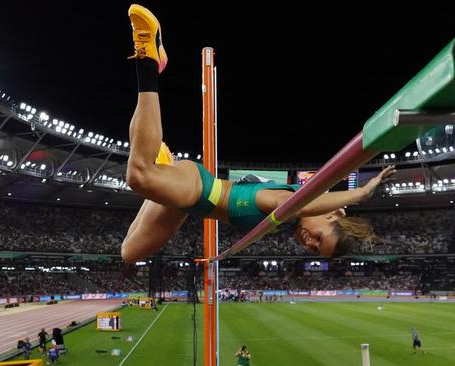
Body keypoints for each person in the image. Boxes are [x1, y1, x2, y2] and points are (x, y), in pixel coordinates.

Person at [121, 4, 395, 263]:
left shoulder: (288, 219)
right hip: (198, 188)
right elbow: (303, 203)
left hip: (189, 203)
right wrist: (359, 194)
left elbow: (309, 206)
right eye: (319, 238)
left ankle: (164, 169)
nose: (308, 243)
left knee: (129, 252)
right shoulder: (289, 202)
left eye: (314, 249)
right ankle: (148, 59)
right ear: (331, 216)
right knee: (139, 175)